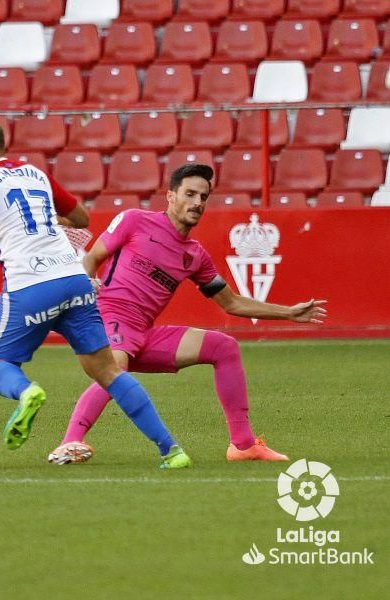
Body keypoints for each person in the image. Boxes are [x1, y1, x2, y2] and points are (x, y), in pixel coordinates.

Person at [0, 116, 192, 469]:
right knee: (108, 371)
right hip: (75, 279)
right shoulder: (36, 174)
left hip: (29, 283)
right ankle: (172, 450)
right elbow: (81, 218)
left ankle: (26, 392)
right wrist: (48, 218)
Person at [48, 163, 327, 465]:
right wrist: (84, 297)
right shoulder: (134, 220)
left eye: (203, 197)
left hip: (142, 332)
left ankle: (244, 445)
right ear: (170, 196)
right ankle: (70, 442)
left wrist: (288, 313)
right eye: (190, 194)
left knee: (224, 347)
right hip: (111, 316)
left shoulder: (196, 256)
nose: (197, 203)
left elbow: (231, 303)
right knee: (116, 366)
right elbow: (91, 259)